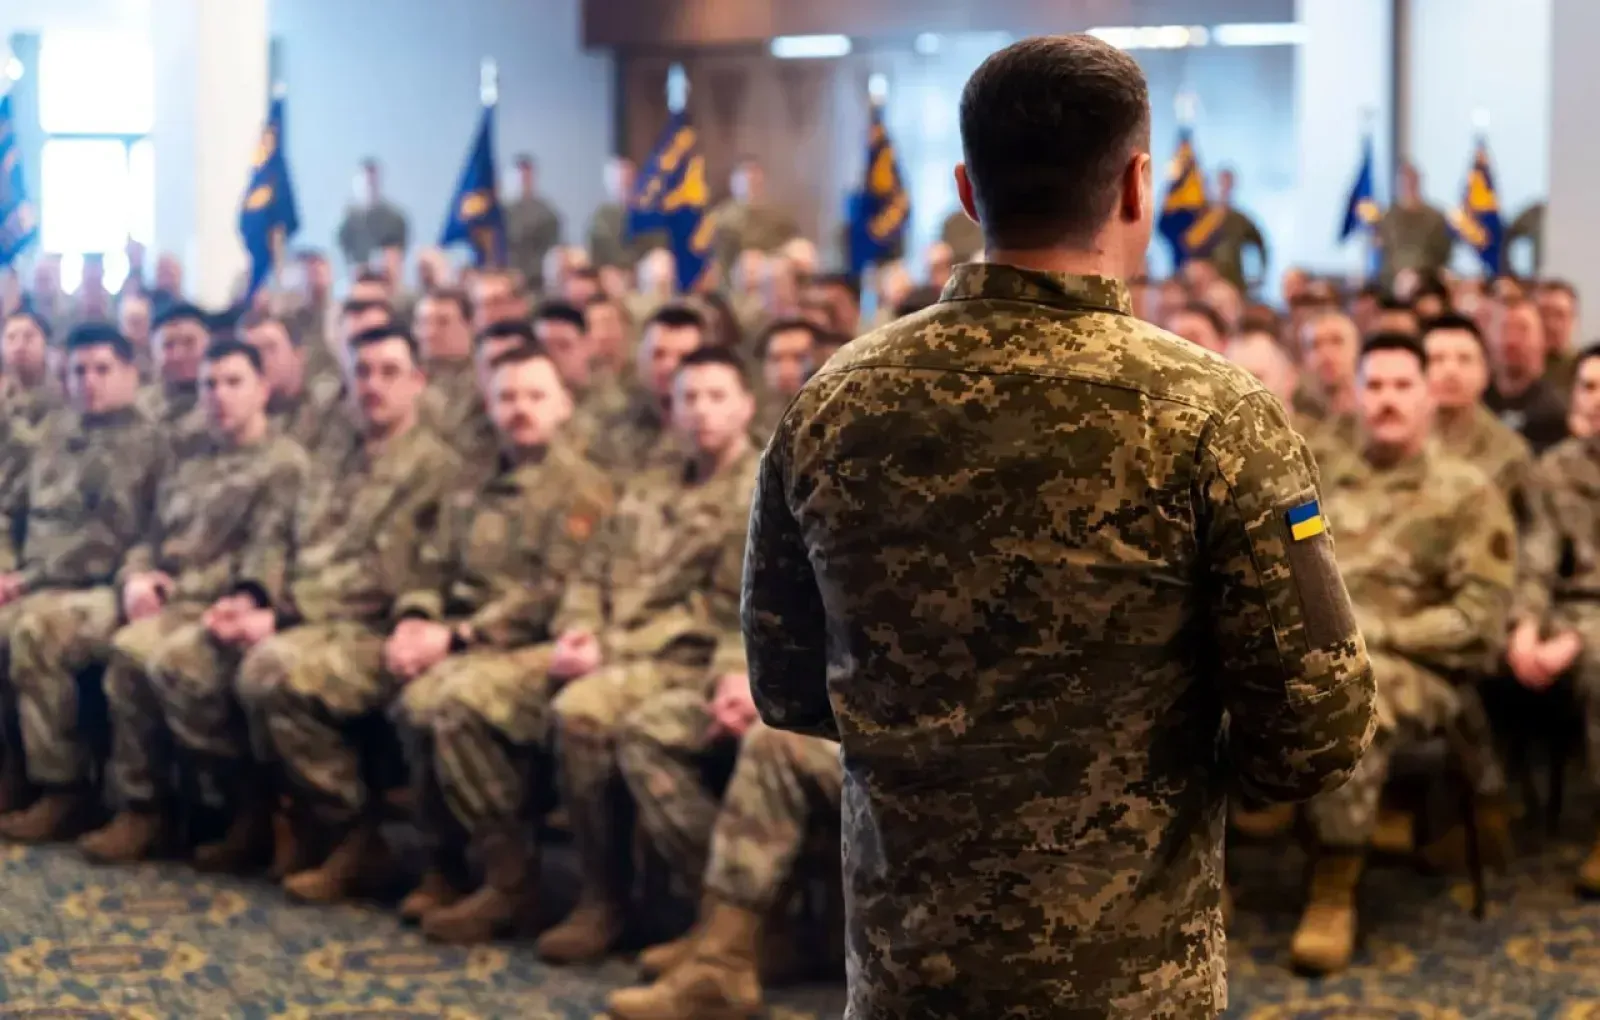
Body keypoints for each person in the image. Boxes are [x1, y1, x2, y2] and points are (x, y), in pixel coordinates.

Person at [742, 35, 1375, 1019]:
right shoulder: (1213, 415)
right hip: (1127, 974)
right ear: (1136, 186)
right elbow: (1314, 730)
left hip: (909, 965)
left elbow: (785, 686)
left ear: (965, 189)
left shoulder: (833, 402)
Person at [1288, 334, 1514, 974]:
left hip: (1420, 666)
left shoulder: (1466, 492)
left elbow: (1479, 620)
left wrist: (1376, 636)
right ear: (1357, 395)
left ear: (1427, 397)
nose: (1387, 399)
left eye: (1402, 386)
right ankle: (1208, 869)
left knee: (1350, 696)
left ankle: (1333, 888)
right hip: (1318, 651)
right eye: (1376, 385)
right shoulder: (1324, 478)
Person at [74, 340, 309, 863]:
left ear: (263, 389)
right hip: (174, 599)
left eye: (233, 382)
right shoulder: (190, 459)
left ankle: (249, 809)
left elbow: (270, 550)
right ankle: (146, 810)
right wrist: (137, 577)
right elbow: (149, 535)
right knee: (127, 650)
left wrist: (242, 599)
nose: (219, 395)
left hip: (228, 604)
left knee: (174, 662)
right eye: (209, 384)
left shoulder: (284, 464)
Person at [506, 154, 563, 293]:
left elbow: (551, 254)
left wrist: (525, 274)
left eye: (526, 177)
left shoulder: (546, 214)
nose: (522, 181)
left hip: (535, 283)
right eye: (519, 176)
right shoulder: (499, 212)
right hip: (503, 280)